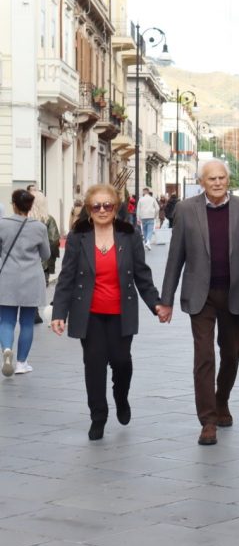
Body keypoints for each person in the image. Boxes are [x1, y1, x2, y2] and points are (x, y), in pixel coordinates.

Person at [158, 160, 239, 446]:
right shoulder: (186, 209)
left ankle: (222, 400)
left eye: (222, 178)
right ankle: (208, 420)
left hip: (234, 292)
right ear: (202, 182)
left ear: (227, 180)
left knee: (232, 353)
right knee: (204, 356)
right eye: (212, 179)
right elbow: (175, 257)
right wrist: (166, 300)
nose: (218, 183)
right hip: (201, 294)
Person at [50, 184, 162, 440]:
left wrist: (156, 304)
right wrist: (59, 313)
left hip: (121, 311)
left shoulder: (128, 234)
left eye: (107, 205)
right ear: (89, 210)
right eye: (96, 206)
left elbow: (142, 274)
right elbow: (66, 276)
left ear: (116, 207)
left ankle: (120, 397)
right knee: (94, 365)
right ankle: (98, 416)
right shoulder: (79, 235)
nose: (102, 210)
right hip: (89, 313)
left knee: (122, 362)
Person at [0, 190, 50, 377]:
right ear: (30, 206)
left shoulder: (2, 224)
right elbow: (46, 254)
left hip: (7, 277)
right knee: (27, 322)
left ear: (13, 204)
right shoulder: (39, 227)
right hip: (31, 278)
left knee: (6, 320)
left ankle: (6, 349)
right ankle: (21, 363)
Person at [28, 190, 60, 284]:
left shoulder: (22, 220)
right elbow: (53, 242)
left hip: (23, 265)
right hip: (43, 265)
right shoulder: (48, 219)